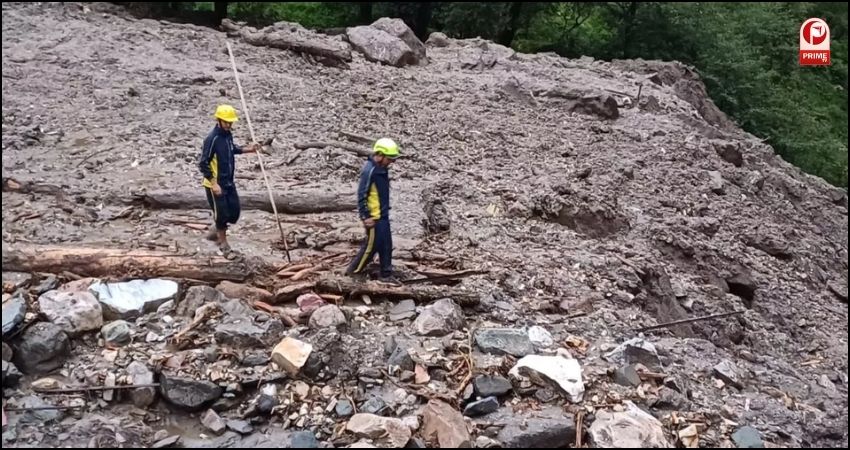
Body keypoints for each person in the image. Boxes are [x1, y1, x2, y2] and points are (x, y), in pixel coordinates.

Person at [198, 104, 259, 258]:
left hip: (228, 181)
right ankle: (224, 245)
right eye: (226, 122)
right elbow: (203, 163)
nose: (229, 125)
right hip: (215, 184)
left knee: (234, 212)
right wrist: (213, 183)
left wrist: (250, 149)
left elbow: (232, 148)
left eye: (231, 122)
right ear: (219, 120)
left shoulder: (227, 135)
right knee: (222, 215)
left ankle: (215, 231)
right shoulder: (212, 139)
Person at [346, 138, 401, 285]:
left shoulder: (382, 168)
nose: (392, 162)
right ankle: (353, 272)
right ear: (380, 155)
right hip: (373, 218)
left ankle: (386, 274)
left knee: (386, 245)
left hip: (383, 216)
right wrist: (365, 216)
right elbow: (362, 194)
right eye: (390, 159)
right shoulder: (369, 170)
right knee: (371, 247)